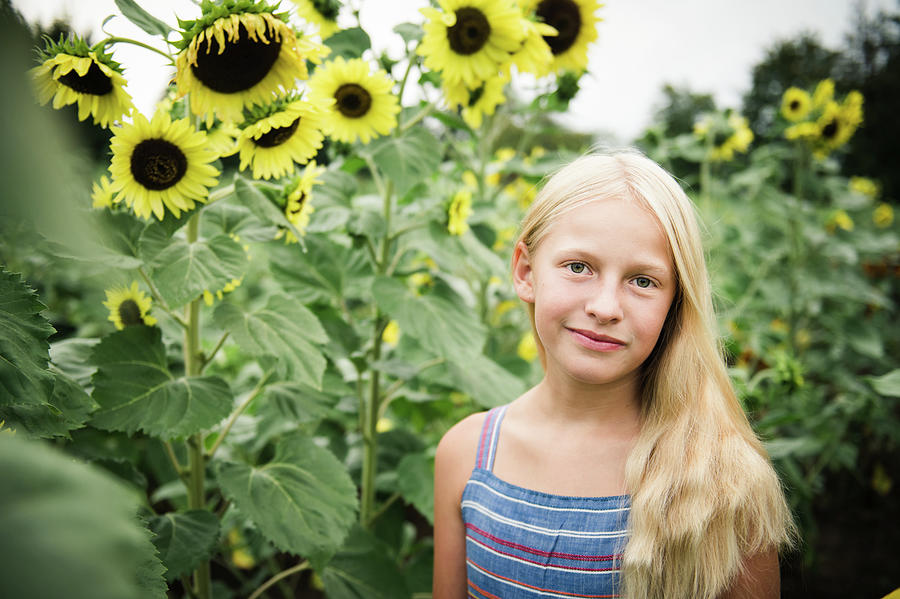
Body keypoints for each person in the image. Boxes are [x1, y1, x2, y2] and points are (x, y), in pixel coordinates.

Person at [432, 151, 795, 599]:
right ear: (526, 271)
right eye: (578, 267)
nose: (605, 307)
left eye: (642, 281)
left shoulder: (722, 482)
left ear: (674, 304)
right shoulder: (466, 455)